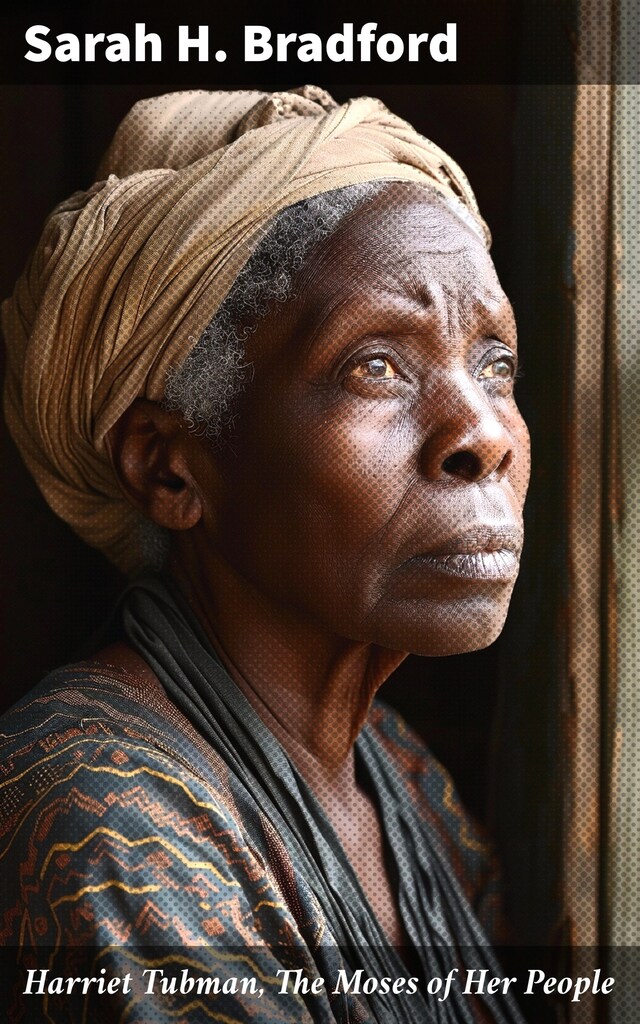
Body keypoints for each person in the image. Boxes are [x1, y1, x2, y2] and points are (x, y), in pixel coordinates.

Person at [0, 87, 530, 1023]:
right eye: (377, 365)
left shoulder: (400, 779)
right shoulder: (100, 811)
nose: (483, 433)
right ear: (171, 469)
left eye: (495, 363)